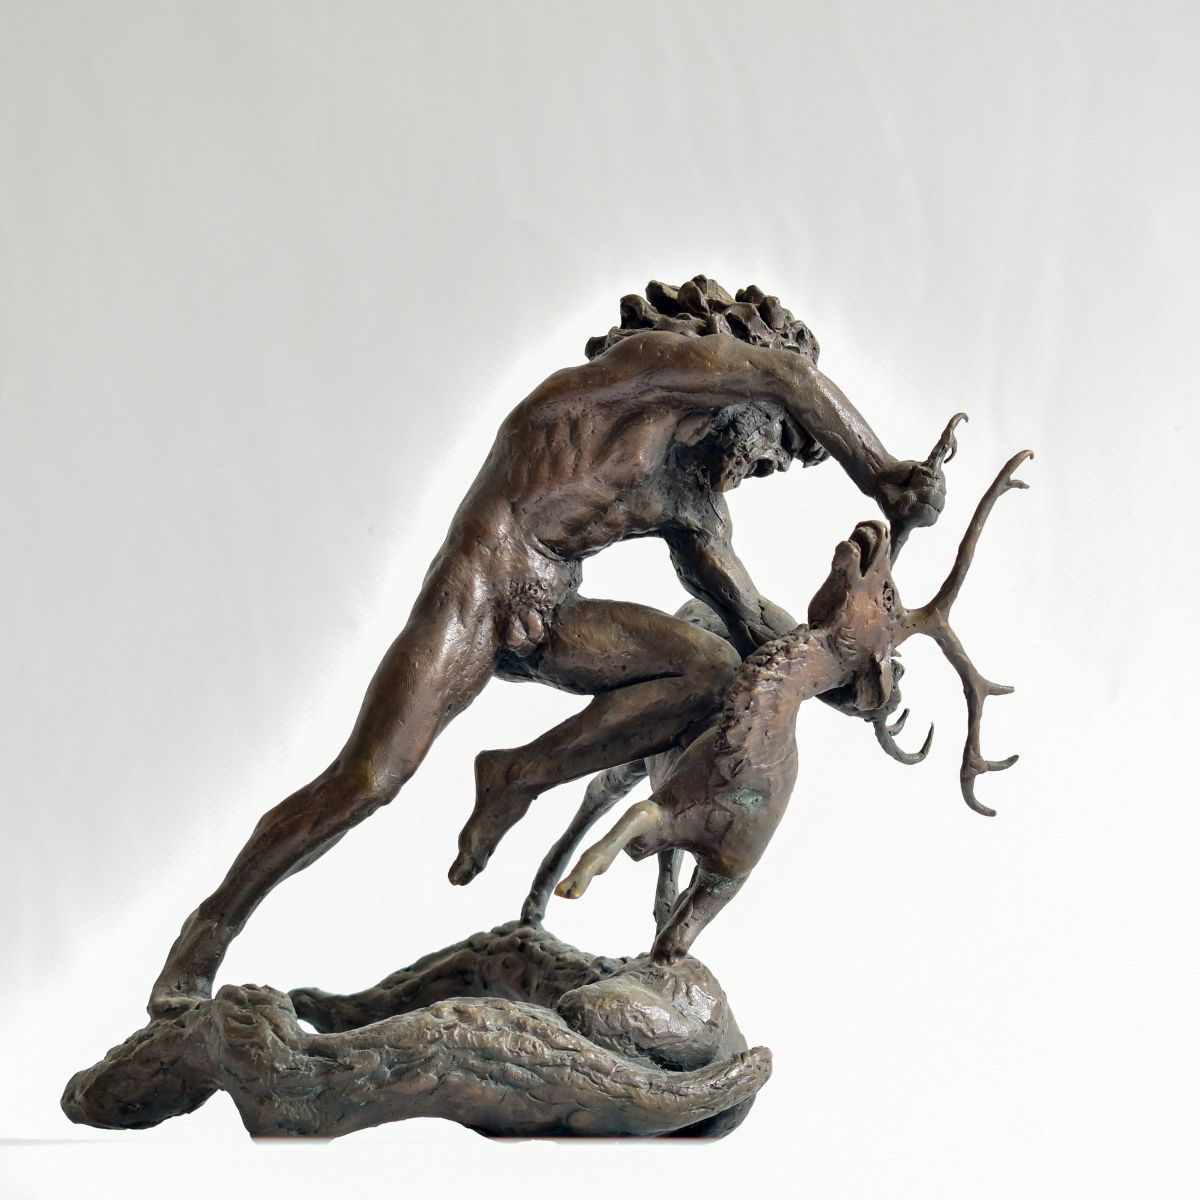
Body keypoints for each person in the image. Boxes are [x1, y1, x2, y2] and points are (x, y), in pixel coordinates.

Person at [149, 277, 950, 1015]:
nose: (753, 465)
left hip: (554, 615)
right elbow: (784, 375)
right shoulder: (642, 376)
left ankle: (517, 775)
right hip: (478, 588)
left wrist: (845, 672)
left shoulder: (691, 499)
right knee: (368, 778)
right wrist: (883, 473)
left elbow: (749, 622)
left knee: (712, 670)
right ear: (739, 390)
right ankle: (206, 935)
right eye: (768, 441)